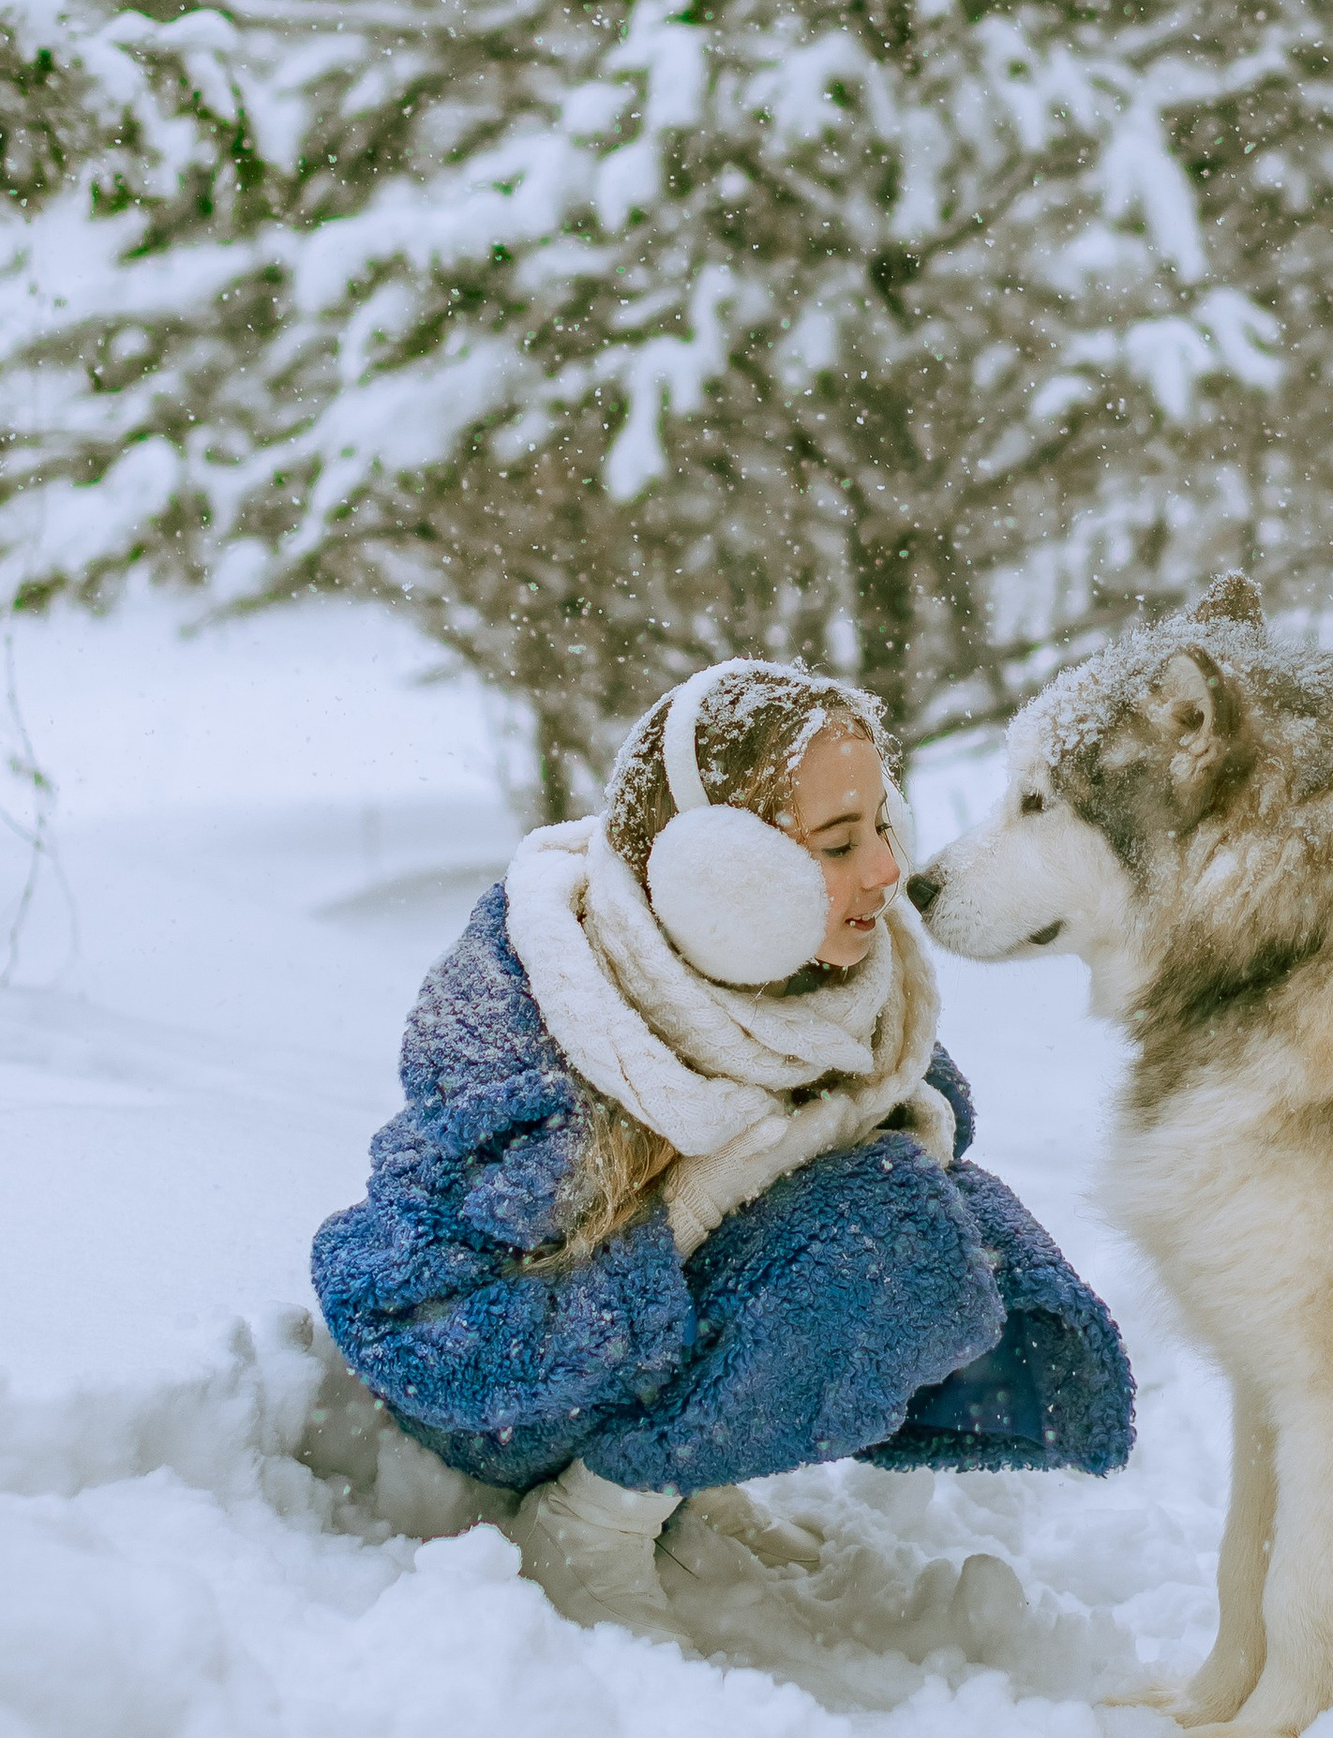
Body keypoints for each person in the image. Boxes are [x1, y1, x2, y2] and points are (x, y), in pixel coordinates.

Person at [311, 657, 1133, 1622]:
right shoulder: (535, 1017)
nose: (886, 869)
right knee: (888, 1239)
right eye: (837, 844)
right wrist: (698, 1204)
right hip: (505, 1397)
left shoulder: (827, 992)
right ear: (720, 878)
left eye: (882, 824)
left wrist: (776, 1185)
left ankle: (681, 1474)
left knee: (953, 1218)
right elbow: (442, 1326)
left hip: (617, 1356)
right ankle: (593, 1518)